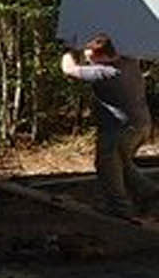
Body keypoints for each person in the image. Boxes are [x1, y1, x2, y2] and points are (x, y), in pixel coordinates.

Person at [62, 34, 159, 219]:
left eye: (91, 56)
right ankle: (149, 193)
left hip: (120, 130)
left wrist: (68, 48)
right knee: (121, 163)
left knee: (107, 166)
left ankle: (119, 209)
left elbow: (68, 69)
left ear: (104, 57)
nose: (88, 57)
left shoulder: (106, 72)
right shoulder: (129, 60)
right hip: (141, 125)